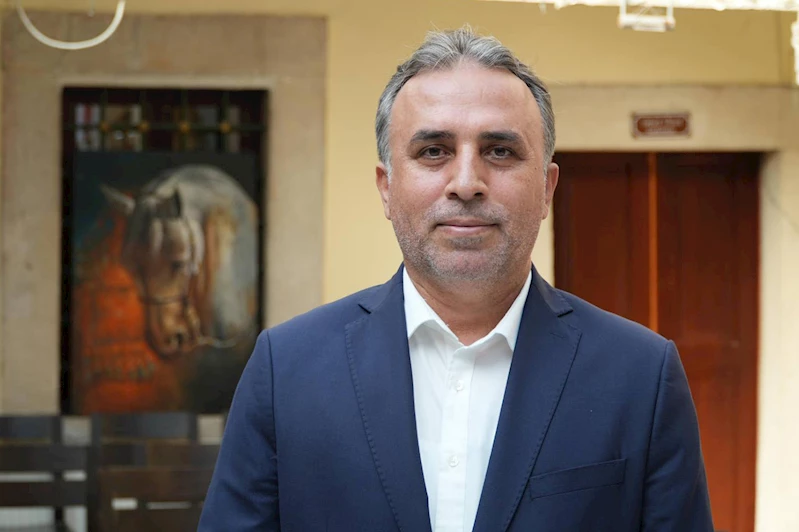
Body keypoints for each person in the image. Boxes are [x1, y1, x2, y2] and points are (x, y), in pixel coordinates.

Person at [198, 26, 714, 532]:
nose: (467, 183)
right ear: (386, 187)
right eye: (433, 151)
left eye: (500, 151)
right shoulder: (285, 371)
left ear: (547, 188)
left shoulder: (641, 377)